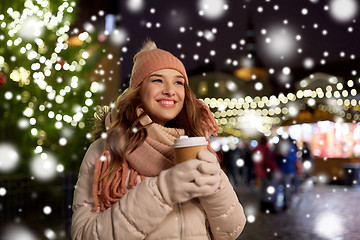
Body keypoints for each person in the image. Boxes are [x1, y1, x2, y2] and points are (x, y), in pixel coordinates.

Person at [71, 40, 246, 240]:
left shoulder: (198, 143)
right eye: (157, 80)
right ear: (138, 90)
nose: (170, 90)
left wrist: (215, 186)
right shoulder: (106, 150)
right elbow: (84, 235)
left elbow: (230, 231)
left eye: (178, 82)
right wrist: (162, 191)